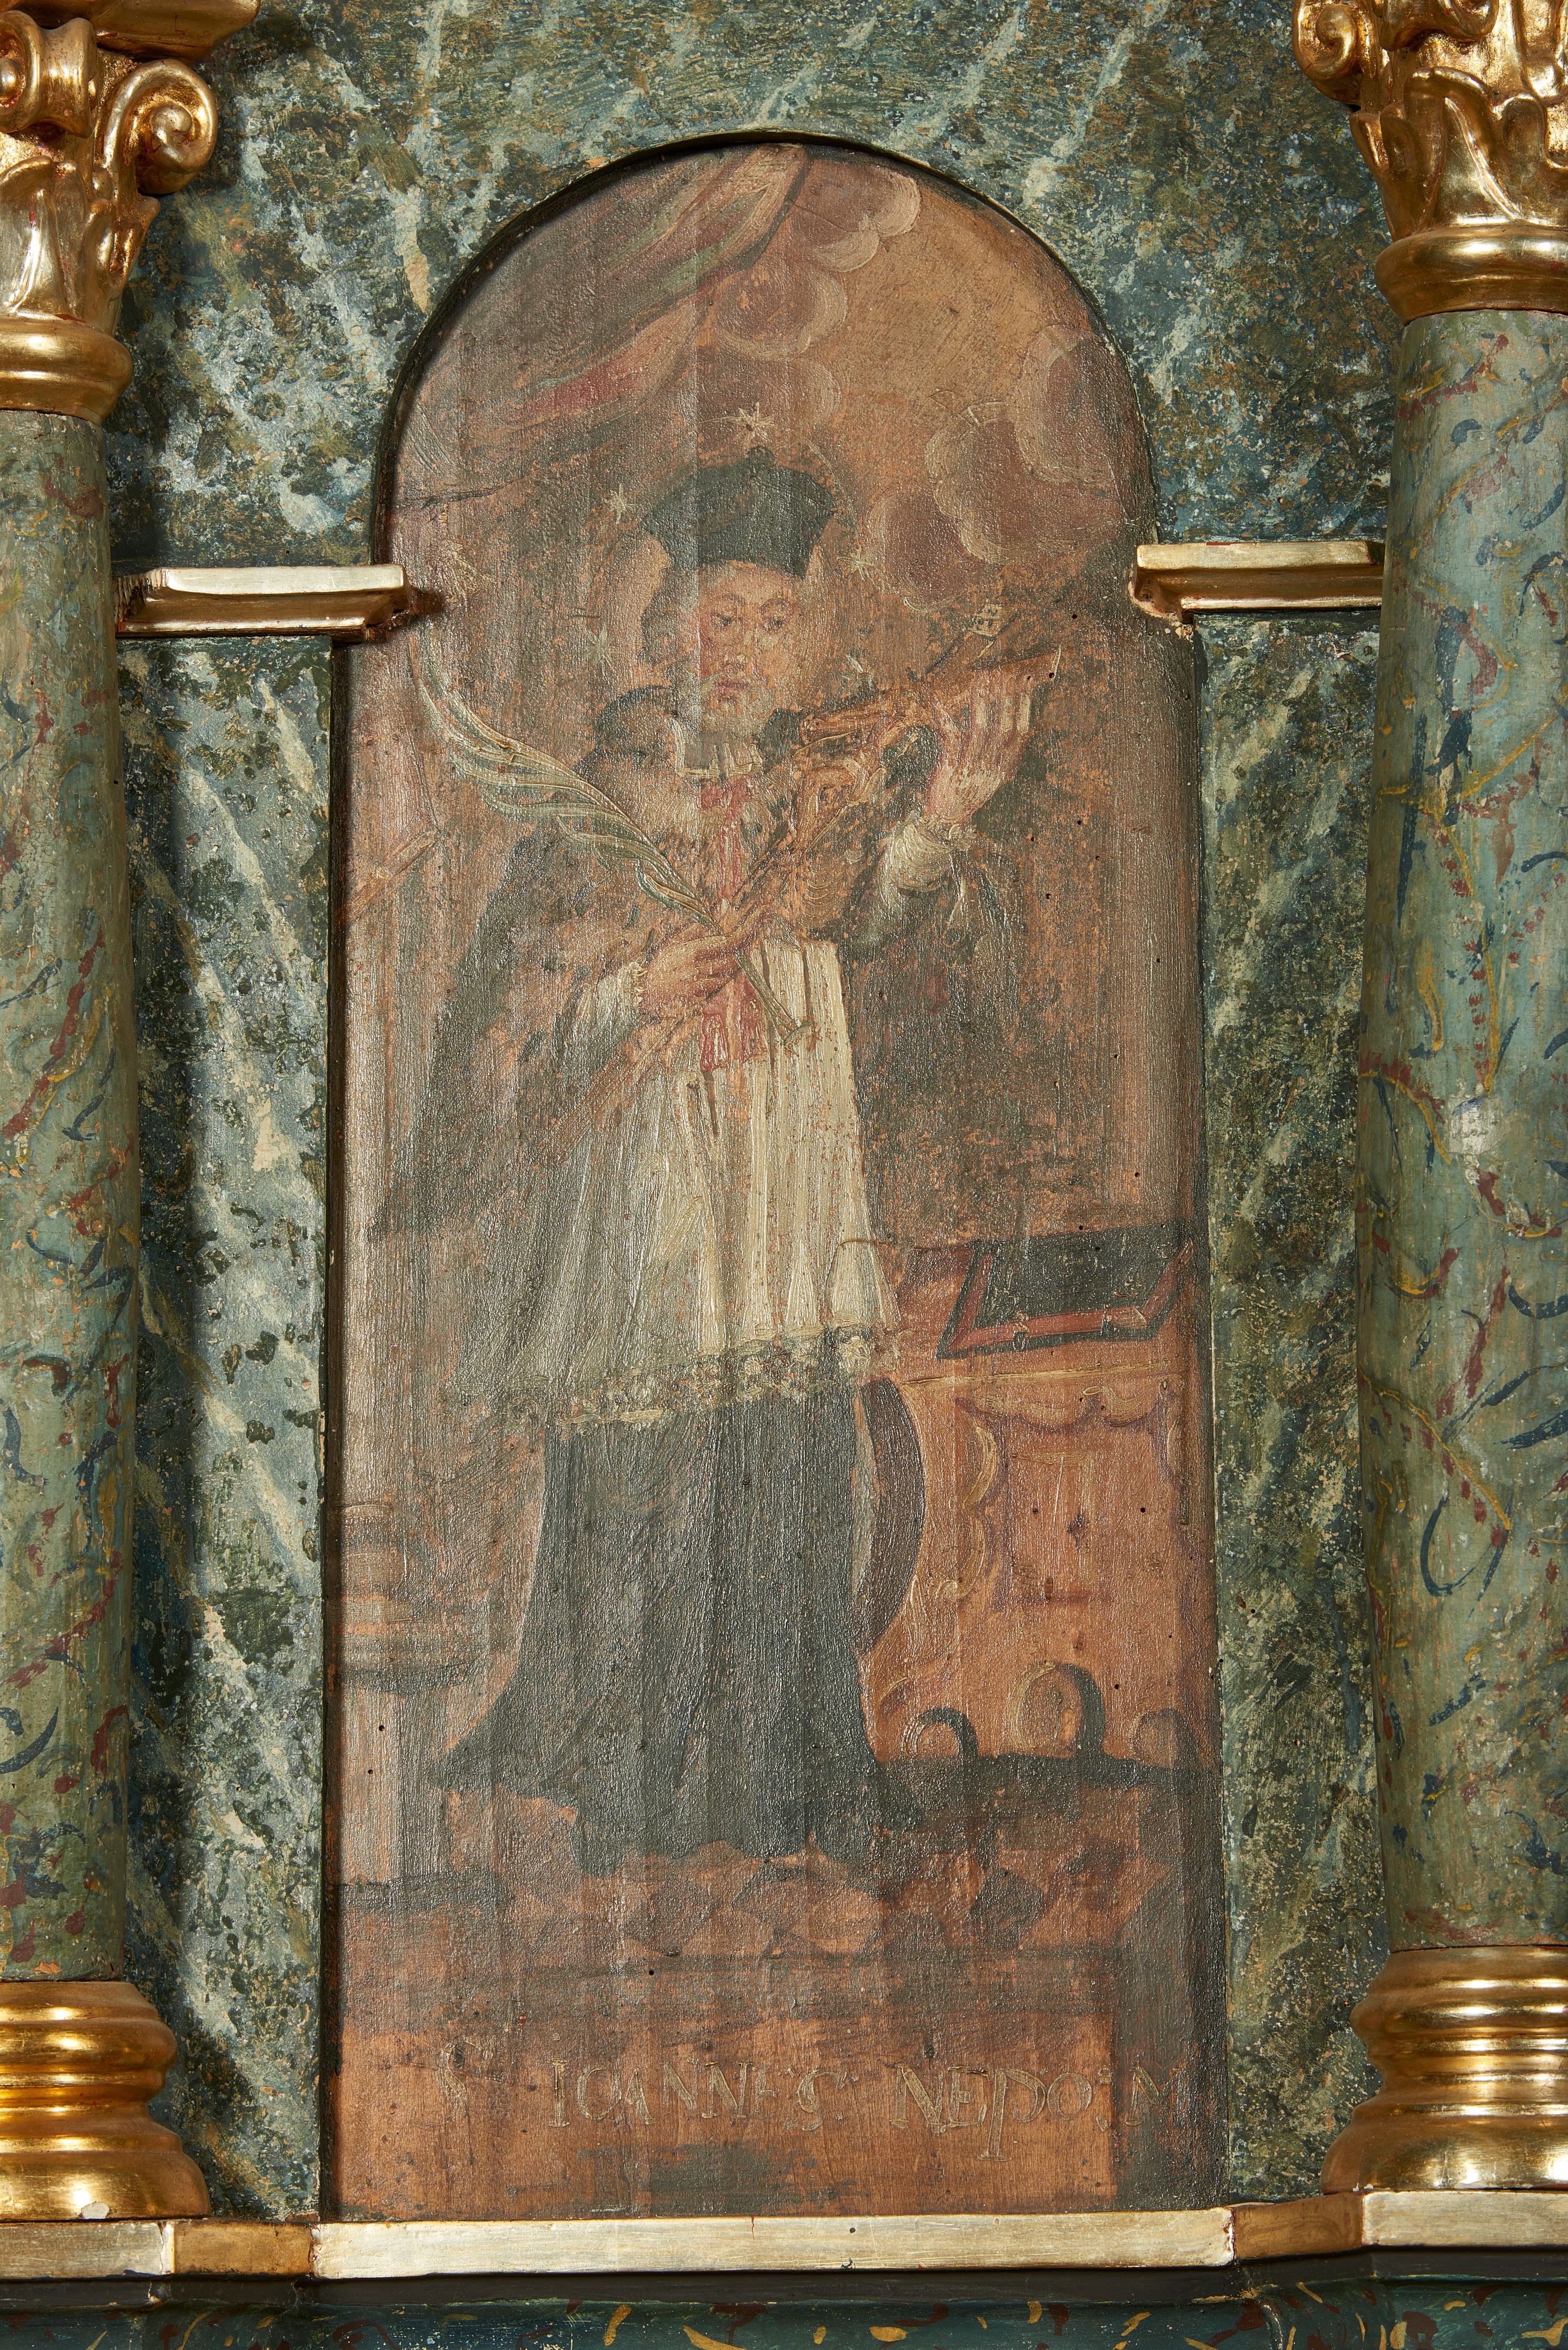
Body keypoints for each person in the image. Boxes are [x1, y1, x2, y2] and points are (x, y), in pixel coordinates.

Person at [399, 451, 1033, 1875]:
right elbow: (516, 1017)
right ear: (663, 628)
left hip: (790, 1153)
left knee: (791, 1458)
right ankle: (621, 1774)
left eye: (769, 620)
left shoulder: (822, 780)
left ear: (802, 639)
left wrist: (938, 822)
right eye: (715, 616)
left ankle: (793, 1777)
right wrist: (632, 993)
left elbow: (864, 922)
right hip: (652, 1169)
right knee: (648, 1466)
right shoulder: (605, 790)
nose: (738, 647)